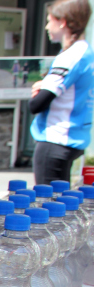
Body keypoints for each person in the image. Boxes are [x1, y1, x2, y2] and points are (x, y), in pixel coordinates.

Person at [29, 0, 94, 185]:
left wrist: (39, 88)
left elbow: (36, 104)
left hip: (55, 139)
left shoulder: (70, 57)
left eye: (50, 21)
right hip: (73, 137)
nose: (47, 27)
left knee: (48, 206)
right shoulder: (86, 52)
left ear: (63, 22)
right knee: (60, 205)